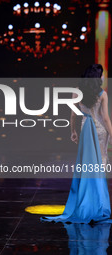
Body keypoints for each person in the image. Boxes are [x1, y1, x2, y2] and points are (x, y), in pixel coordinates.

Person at [42, 64, 112, 223]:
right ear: (97, 77)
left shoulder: (77, 91)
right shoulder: (102, 94)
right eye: (101, 75)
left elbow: (73, 114)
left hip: (86, 128)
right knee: (99, 166)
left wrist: (73, 131)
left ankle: (86, 203)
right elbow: (106, 118)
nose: (103, 77)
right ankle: (98, 205)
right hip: (100, 130)